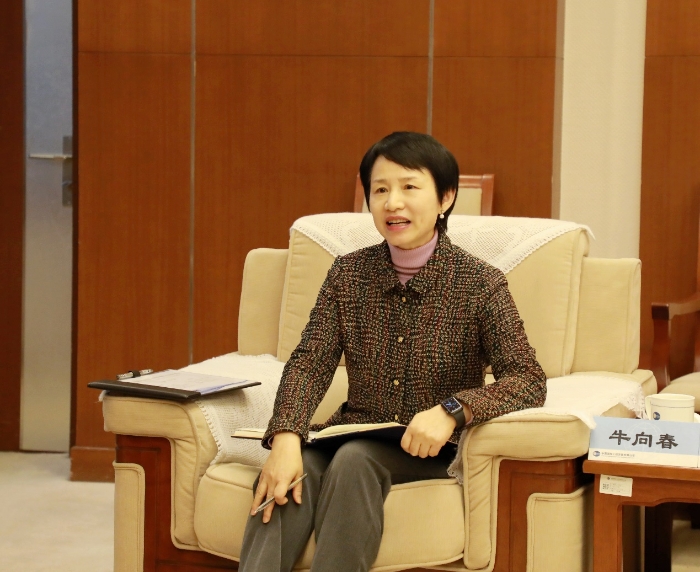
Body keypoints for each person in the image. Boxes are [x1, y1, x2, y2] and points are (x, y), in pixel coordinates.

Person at [239, 132, 546, 572]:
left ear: (445, 198)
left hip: (432, 451)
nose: (392, 202)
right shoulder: (348, 274)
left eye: (409, 187)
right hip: (351, 430)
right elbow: (309, 362)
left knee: (355, 461)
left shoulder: (480, 283)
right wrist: (286, 436)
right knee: (291, 471)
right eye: (380, 189)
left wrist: (452, 410)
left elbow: (528, 380)